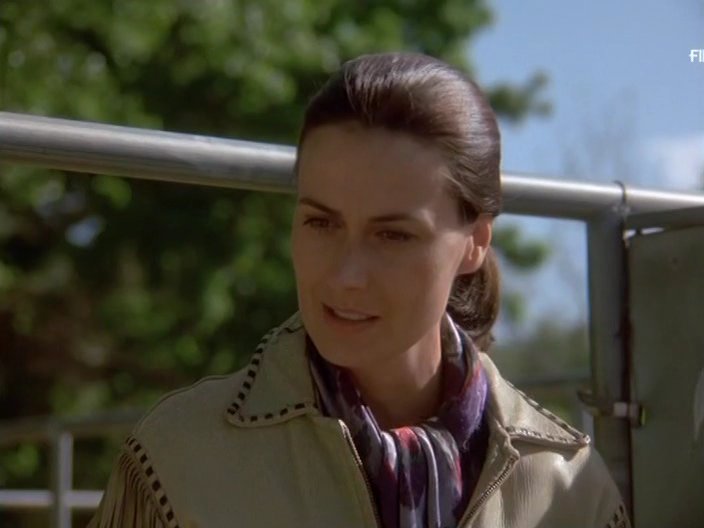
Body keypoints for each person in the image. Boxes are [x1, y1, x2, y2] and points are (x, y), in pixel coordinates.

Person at [89, 52, 630, 528]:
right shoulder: (180, 458)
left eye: (393, 235)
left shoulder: (570, 487)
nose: (346, 275)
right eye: (321, 223)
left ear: (475, 243)